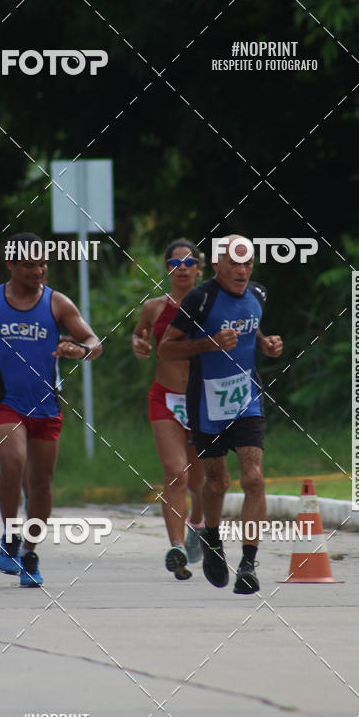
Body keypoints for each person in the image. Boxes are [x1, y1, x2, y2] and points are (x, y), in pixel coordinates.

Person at [0, 232, 102, 587]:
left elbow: (93, 341)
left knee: (41, 483)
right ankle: (10, 535)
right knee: (13, 464)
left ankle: (29, 552)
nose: (38, 271)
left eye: (42, 264)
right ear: (10, 264)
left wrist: (80, 350)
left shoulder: (57, 303)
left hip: (46, 404)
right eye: (29, 265)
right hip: (5, 401)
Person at [158, 235, 283, 594]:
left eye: (247, 263)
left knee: (254, 478)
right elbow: (167, 349)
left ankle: (248, 564)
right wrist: (210, 343)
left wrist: (265, 343)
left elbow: (249, 324)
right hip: (206, 403)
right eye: (234, 264)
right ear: (217, 265)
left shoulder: (258, 294)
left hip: (246, 400)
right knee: (217, 482)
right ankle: (211, 539)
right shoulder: (201, 298)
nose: (242, 271)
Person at [132, 239, 205, 581]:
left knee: (204, 481)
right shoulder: (153, 307)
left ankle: (198, 524)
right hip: (165, 398)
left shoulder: (212, 304)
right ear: (167, 269)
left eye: (189, 263)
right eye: (176, 264)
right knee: (176, 472)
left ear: (199, 269)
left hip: (205, 399)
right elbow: (139, 336)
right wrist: (140, 344)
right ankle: (176, 547)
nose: (182, 269)